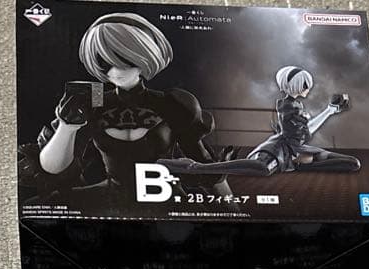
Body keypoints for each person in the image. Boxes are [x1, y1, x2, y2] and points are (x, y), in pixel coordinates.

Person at [27, 12, 230, 205]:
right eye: (104, 62)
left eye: (124, 60)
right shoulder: (95, 101)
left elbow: (205, 168)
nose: (115, 70)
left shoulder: (171, 103)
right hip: (111, 195)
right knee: (41, 204)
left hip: (164, 196)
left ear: (144, 57)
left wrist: (234, 211)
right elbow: (53, 169)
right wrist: (67, 127)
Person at [157, 66, 359, 177]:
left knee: (352, 163)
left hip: (297, 151)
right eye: (305, 84)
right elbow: (299, 134)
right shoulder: (288, 107)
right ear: (294, 85)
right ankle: (194, 167)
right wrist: (327, 113)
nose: (308, 88)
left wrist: (329, 111)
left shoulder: (295, 107)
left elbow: (304, 132)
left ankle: (298, 166)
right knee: (262, 169)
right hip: (279, 150)